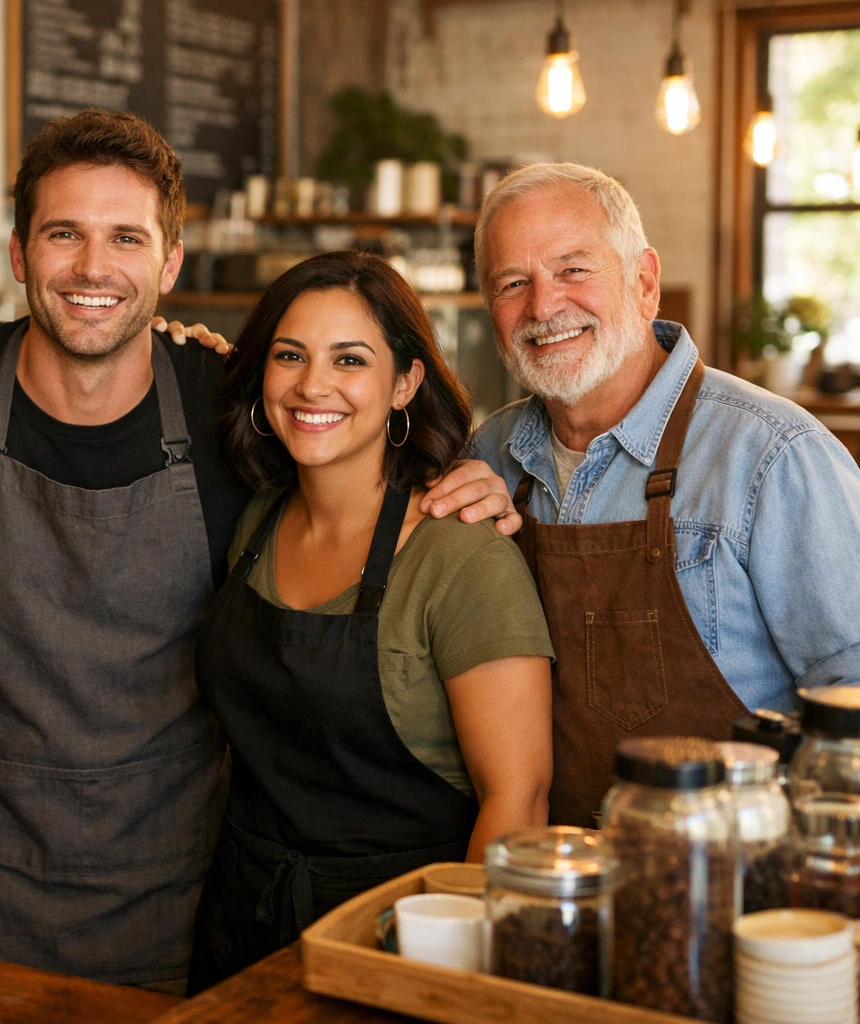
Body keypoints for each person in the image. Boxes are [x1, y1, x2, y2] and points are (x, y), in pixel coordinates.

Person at [0, 109, 520, 991]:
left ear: (168, 263)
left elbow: (344, 436)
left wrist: (468, 479)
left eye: (126, 238)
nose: (93, 268)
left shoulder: (229, 410)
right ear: (18, 253)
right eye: (63, 235)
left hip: (179, 891)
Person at [186, 250, 553, 992]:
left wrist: (447, 975)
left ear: (405, 383)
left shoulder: (460, 554)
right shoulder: (255, 517)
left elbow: (519, 800)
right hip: (241, 923)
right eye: (290, 355)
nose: (312, 385)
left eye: (349, 359)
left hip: (400, 936)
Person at [458, 162, 860, 826]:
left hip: (734, 890)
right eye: (512, 283)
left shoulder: (772, 455)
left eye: (573, 270)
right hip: (554, 881)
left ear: (644, 282)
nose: (543, 306)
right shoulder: (492, 457)